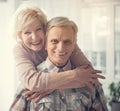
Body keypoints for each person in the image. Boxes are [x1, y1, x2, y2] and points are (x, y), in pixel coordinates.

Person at [9, 6, 105, 111]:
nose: (35, 37)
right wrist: (74, 76)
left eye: (38, 29)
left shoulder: (87, 79)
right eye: (54, 41)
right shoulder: (27, 83)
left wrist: (51, 86)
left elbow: (89, 72)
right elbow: (34, 83)